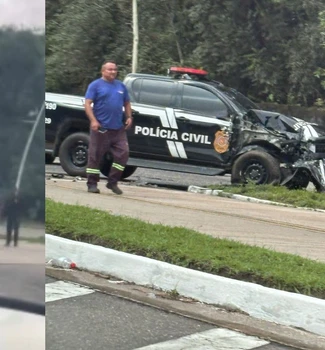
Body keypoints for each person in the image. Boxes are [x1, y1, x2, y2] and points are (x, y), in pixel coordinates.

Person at [84, 60, 133, 195]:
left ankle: (112, 182)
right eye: (110, 69)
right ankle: (92, 184)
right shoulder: (95, 85)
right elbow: (87, 104)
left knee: (123, 154)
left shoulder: (121, 86)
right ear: (103, 71)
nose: (113, 72)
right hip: (101, 129)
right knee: (95, 156)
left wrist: (129, 117)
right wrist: (93, 121)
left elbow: (127, 103)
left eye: (115, 69)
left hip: (118, 129)